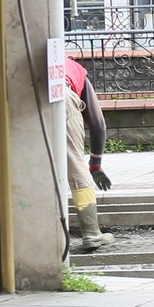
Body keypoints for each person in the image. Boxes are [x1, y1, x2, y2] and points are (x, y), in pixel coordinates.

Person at [62, 54, 112, 253]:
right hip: (60, 93)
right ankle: (91, 232)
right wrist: (95, 165)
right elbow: (98, 124)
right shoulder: (76, 69)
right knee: (75, 163)